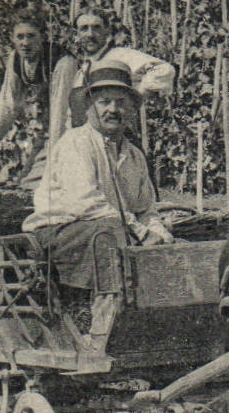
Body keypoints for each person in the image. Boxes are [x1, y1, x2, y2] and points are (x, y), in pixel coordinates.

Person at [24, 61, 173, 346]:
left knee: (164, 246)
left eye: (121, 103)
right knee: (109, 234)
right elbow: (86, 204)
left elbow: (146, 209)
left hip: (108, 232)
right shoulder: (75, 144)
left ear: (131, 109)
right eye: (104, 102)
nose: (113, 110)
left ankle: (153, 331)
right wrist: (141, 233)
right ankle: (101, 335)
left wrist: (162, 237)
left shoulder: (134, 156)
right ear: (89, 106)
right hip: (58, 235)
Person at [45, 9, 175, 150]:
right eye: (84, 29)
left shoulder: (120, 56)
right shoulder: (81, 71)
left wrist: (136, 96)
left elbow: (164, 69)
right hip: (85, 147)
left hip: (117, 142)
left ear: (107, 31)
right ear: (77, 34)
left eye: (96, 28)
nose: (90, 34)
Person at [0, 11, 56, 188]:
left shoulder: (60, 60)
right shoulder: (16, 59)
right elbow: (8, 105)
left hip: (71, 124)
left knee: (44, 184)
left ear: (43, 37)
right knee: (26, 182)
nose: (25, 43)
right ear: (12, 38)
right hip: (48, 127)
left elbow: (60, 115)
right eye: (20, 37)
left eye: (31, 36)